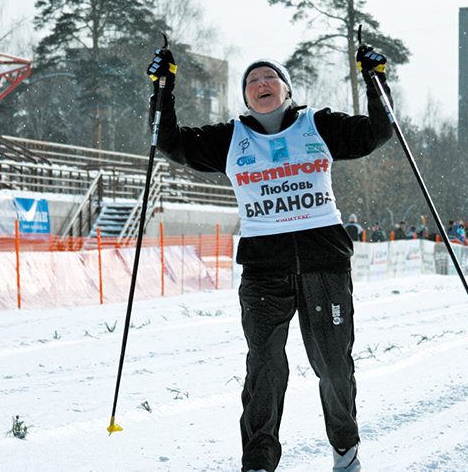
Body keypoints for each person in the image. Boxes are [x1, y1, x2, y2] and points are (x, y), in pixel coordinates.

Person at [147, 40, 393, 472]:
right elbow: (170, 143)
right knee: (264, 366)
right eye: (252, 81)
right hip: (263, 270)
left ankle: (344, 447)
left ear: (286, 89)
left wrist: (375, 81)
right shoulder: (231, 138)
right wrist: (163, 90)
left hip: (324, 262)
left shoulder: (318, 125)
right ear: (245, 96)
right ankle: (258, 460)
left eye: (270, 78)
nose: (262, 83)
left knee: (333, 365)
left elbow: (377, 132)